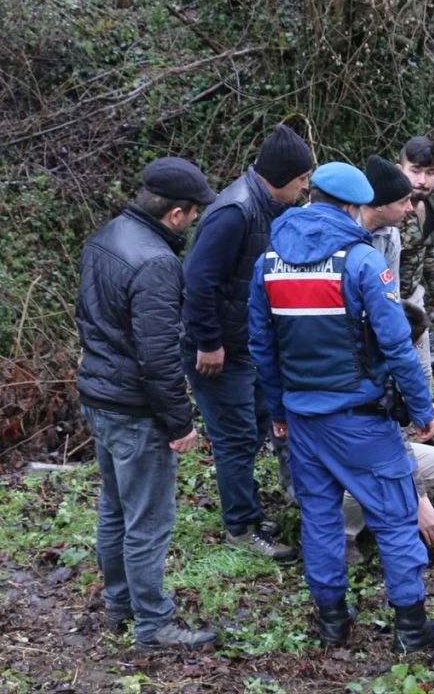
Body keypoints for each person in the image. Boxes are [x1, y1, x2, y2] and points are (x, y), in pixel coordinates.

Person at [248, 162, 434, 653]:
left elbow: (262, 345)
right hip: (361, 421)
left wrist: (277, 409)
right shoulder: (360, 262)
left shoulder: (268, 262)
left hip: (302, 418)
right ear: (354, 207)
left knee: (320, 518)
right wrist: (422, 409)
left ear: (311, 197)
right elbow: (398, 344)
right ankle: (412, 628)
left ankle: (332, 620)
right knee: (396, 518)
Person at [77, 157, 219, 651]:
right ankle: (153, 624)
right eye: (195, 214)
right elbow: (158, 356)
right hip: (134, 409)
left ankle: (120, 603)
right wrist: (179, 423)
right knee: (148, 521)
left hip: (99, 396)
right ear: (176, 214)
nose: (196, 221)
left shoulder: (105, 237)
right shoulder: (157, 263)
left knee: (115, 508)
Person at [182, 124, 313, 562]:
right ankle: (241, 527)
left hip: (247, 347)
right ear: (278, 176)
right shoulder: (234, 212)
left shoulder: (269, 206)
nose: (305, 187)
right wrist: (208, 342)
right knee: (236, 437)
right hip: (219, 352)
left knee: (254, 426)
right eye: (300, 180)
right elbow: (197, 280)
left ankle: (250, 511)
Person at [343, 154, 434, 555]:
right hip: (338, 379)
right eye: (402, 203)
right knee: (362, 454)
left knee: (429, 460)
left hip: (372, 356)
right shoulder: (337, 235)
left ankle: (385, 510)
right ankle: (348, 532)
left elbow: (387, 303)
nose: (410, 210)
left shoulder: (392, 236)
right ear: (377, 203)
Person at [397, 136, 434, 382]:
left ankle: (424, 420)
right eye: (415, 171)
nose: (422, 181)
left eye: (430, 172)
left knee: (422, 374)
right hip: (382, 299)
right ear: (401, 170)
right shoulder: (383, 203)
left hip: (414, 294)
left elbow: (432, 245)